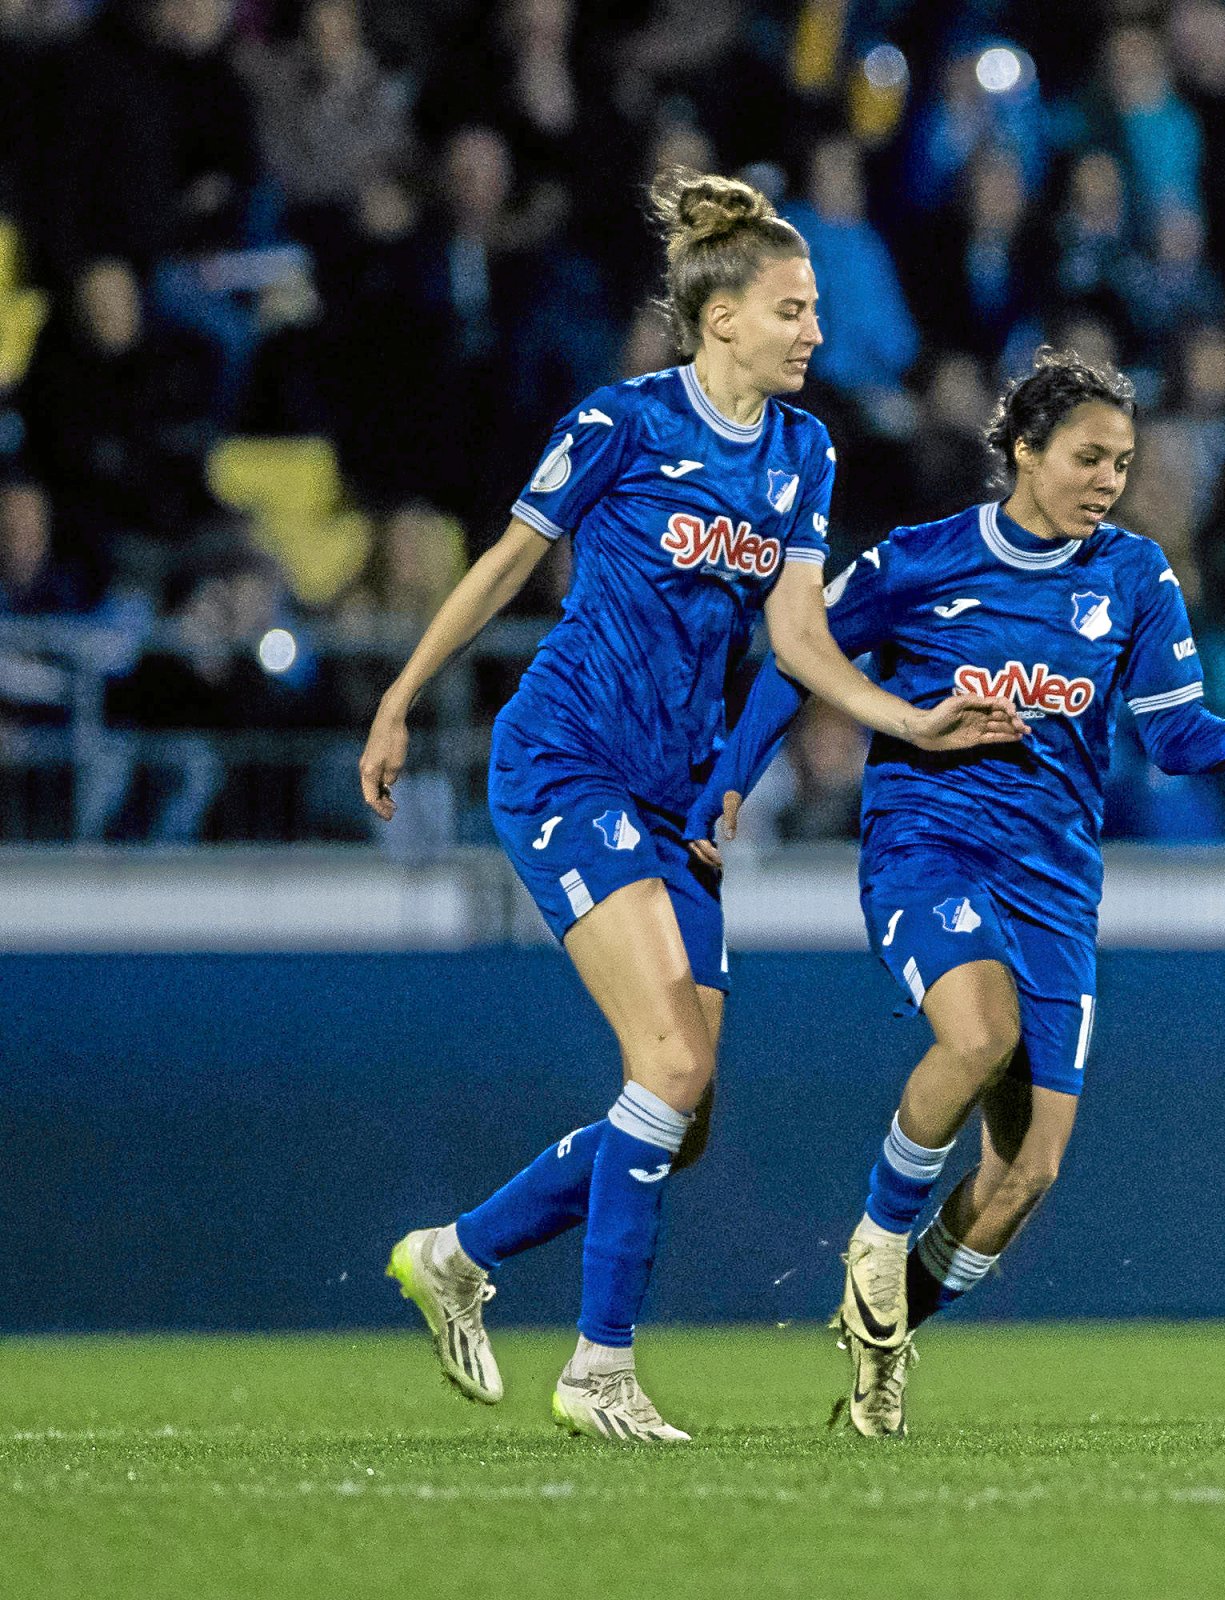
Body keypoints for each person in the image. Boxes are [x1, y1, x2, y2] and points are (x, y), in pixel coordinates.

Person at [362, 169, 1017, 1445]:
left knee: (684, 1111)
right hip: (567, 761)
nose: (816, 332)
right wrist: (399, 697)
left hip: (672, 796)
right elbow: (505, 564)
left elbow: (800, 638)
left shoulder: (802, 452)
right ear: (722, 320)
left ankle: (457, 1252)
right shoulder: (621, 425)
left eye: (816, 308)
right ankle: (599, 1364)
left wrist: (904, 718)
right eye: (793, 308)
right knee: (663, 1065)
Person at [689, 348, 1225, 1438]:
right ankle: (878, 1242)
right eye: (1087, 456)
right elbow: (799, 655)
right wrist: (727, 782)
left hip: (1055, 887)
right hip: (928, 851)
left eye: (1122, 462)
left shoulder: (1134, 577)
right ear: (1023, 452)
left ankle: (882, 1345)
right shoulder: (920, 561)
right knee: (976, 1031)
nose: (1108, 480)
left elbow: (1175, 738)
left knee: (1023, 1174)